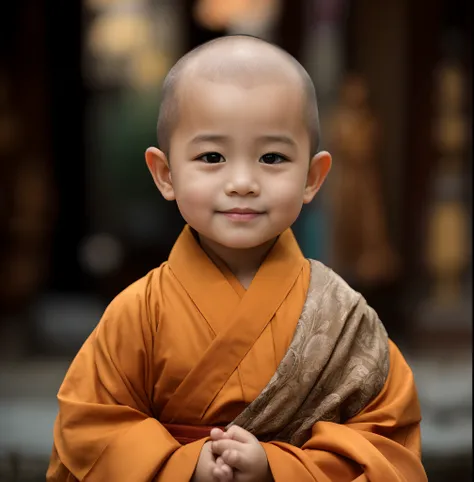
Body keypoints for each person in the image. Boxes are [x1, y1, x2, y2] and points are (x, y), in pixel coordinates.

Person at [46, 35, 427, 482]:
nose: (243, 181)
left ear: (313, 176)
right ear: (165, 174)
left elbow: (386, 441)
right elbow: (88, 428)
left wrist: (280, 468)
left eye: (272, 157)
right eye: (212, 156)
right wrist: (184, 465)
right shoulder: (138, 312)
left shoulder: (344, 318)